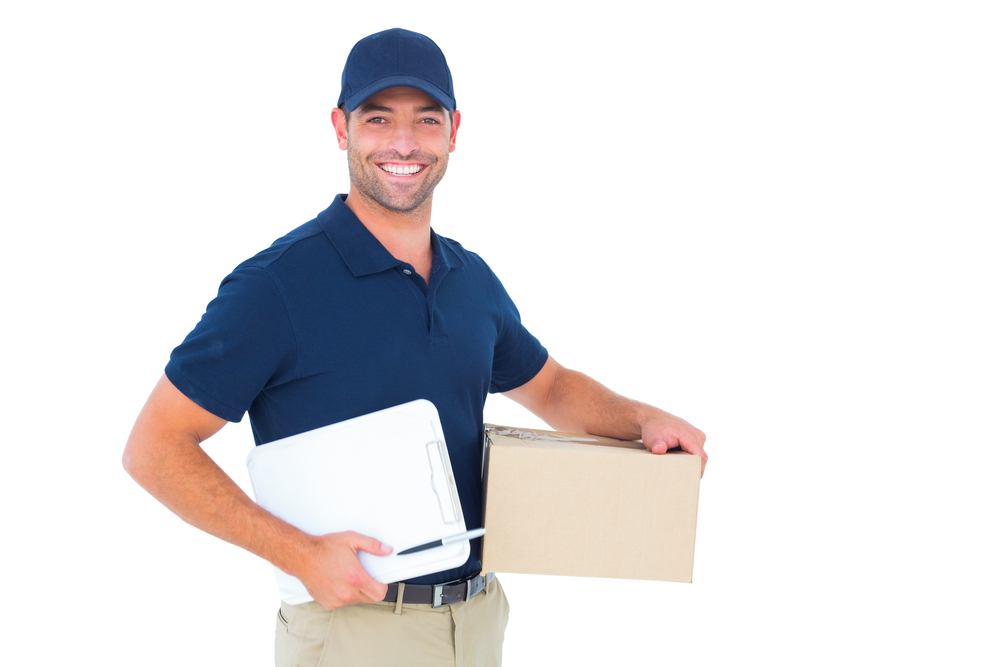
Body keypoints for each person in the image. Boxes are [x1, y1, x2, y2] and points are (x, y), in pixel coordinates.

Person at [122, 27, 707, 667]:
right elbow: (154, 447)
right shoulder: (278, 287)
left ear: (454, 129)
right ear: (342, 128)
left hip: (477, 619)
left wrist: (644, 419)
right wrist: (300, 554)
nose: (404, 143)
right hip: (353, 633)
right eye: (379, 119)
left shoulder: (470, 279)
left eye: (425, 120)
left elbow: (552, 387)